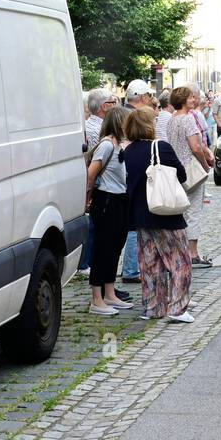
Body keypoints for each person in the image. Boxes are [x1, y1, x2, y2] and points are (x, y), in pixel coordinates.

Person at [119, 108, 192, 322]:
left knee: (151, 265)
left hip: (141, 217)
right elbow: (181, 174)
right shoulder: (161, 147)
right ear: (150, 125)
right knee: (179, 262)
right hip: (165, 214)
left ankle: (153, 307)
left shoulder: (128, 151)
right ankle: (178, 309)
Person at [84, 107, 133, 315]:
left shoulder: (118, 145)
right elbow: (91, 174)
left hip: (119, 200)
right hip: (106, 201)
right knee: (103, 249)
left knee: (115, 248)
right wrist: (87, 199)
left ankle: (110, 293)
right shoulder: (106, 145)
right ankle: (97, 298)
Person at [168, 87, 214, 269]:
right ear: (184, 100)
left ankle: (180, 250)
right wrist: (204, 164)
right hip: (190, 169)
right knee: (194, 211)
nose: (194, 100)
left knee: (181, 211)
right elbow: (196, 146)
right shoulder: (188, 119)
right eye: (191, 98)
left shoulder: (172, 120)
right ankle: (192, 253)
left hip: (176, 170)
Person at [119, 80, 155, 285]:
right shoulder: (132, 115)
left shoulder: (124, 111)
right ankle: (131, 268)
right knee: (133, 225)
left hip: (128, 173)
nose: (150, 100)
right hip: (132, 174)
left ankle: (133, 266)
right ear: (142, 97)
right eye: (149, 97)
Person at [80, 89, 119, 276]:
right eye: (114, 101)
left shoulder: (95, 126)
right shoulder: (98, 131)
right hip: (99, 189)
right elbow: (94, 166)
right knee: (96, 231)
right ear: (105, 107)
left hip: (98, 187)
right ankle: (87, 264)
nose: (117, 104)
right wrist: (89, 193)